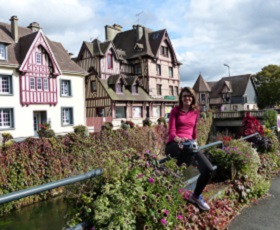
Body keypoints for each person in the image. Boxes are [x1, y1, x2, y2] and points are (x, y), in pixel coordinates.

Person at [165, 87, 214, 211]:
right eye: (184, 96)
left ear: (193, 98)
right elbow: (171, 133)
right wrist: (179, 140)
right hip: (175, 144)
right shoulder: (175, 111)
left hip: (190, 145)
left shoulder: (195, 112)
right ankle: (169, 192)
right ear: (181, 98)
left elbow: (194, 130)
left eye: (189, 96)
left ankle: (195, 196)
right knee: (180, 165)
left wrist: (195, 141)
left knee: (208, 169)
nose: (187, 98)